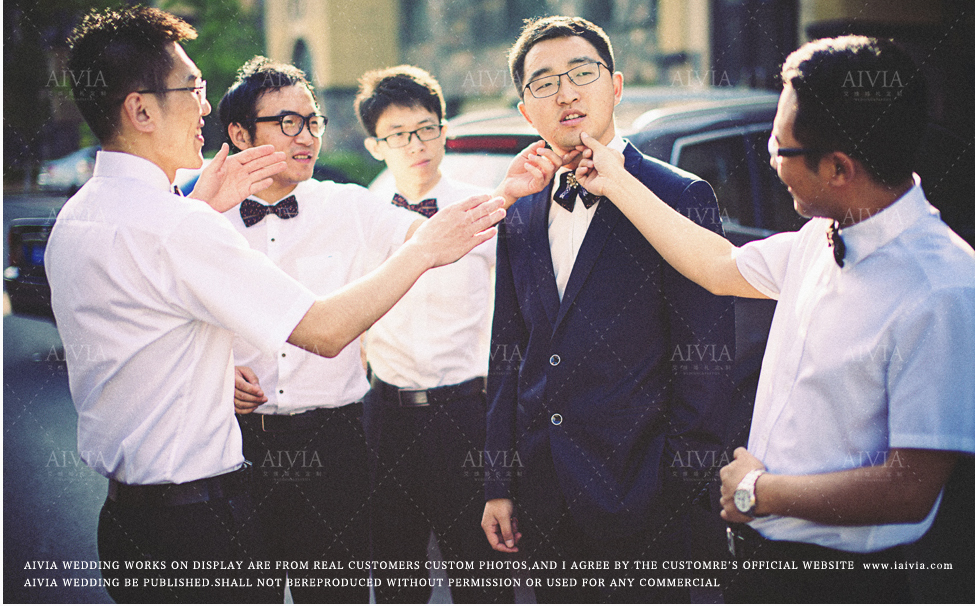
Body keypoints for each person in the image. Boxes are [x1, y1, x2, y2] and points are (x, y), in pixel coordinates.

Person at [45, 7, 504, 603]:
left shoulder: (77, 217)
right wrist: (425, 251)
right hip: (199, 523)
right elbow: (324, 329)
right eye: (192, 89)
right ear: (141, 110)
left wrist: (198, 217)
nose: (205, 107)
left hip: (127, 522)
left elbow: (143, 331)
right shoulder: (177, 227)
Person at [572, 35, 975, 603]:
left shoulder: (943, 288)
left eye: (780, 147)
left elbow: (909, 489)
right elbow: (718, 266)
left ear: (838, 167)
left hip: (847, 582)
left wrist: (758, 493)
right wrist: (615, 179)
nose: (769, 157)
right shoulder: (821, 235)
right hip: (761, 560)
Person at [480, 16, 735, 603]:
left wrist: (681, 485)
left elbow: (705, 358)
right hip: (547, 496)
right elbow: (508, 350)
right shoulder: (521, 204)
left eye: (582, 74)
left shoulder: (679, 195)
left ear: (615, 86)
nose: (565, 93)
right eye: (544, 83)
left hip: (648, 496)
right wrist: (499, 481)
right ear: (526, 110)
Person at [354, 65, 511, 603]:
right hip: (387, 417)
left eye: (425, 129)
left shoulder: (482, 211)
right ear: (375, 146)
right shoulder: (361, 217)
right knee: (396, 579)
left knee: (482, 579)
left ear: (444, 131)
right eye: (398, 135)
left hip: (467, 414)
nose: (416, 145)